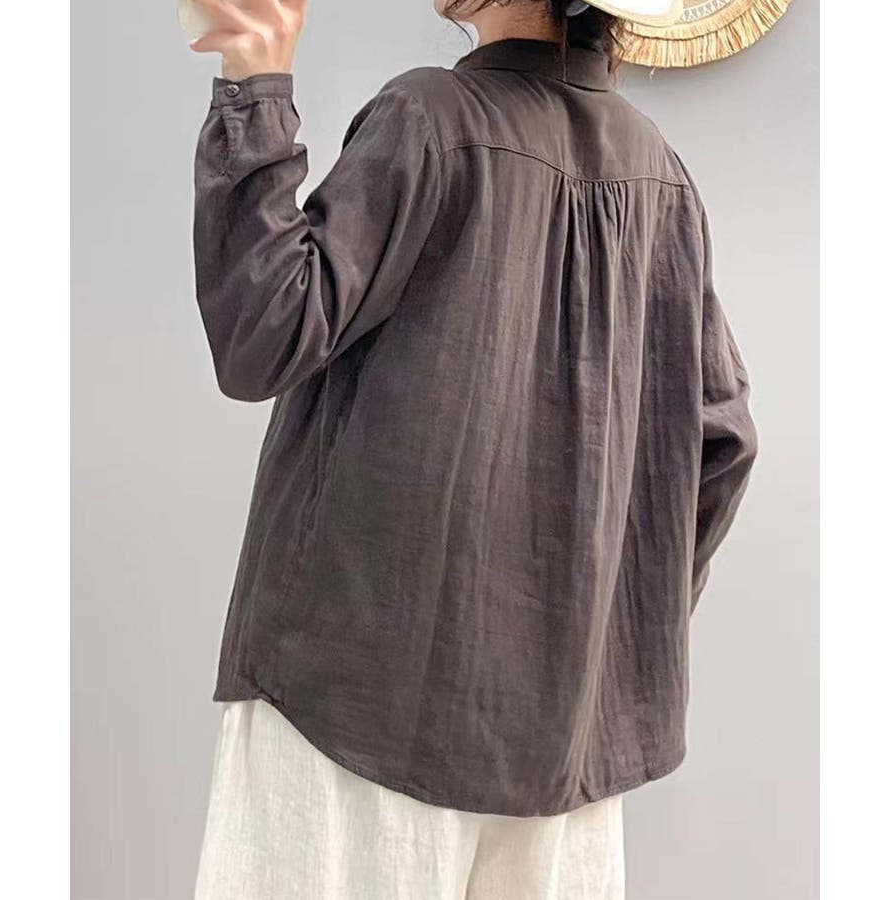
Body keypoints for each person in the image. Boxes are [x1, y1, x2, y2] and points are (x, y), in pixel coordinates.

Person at [188, 0, 758, 897]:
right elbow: (722, 443)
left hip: (353, 709)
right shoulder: (662, 175)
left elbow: (263, 335)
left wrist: (255, 84)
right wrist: (591, 630)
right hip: (562, 753)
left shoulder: (428, 120)